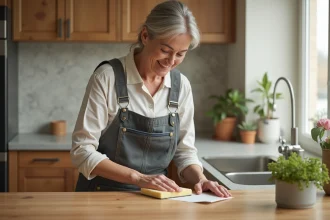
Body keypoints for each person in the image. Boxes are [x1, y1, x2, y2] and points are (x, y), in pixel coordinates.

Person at [71, 0, 231, 197]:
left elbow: (184, 151)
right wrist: (139, 178)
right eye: (165, 50)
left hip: (155, 200)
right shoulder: (107, 77)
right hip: (101, 196)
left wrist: (201, 180)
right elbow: (82, 151)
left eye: (181, 54)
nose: (171, 62)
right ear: (145, 36)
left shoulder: (181, 87)